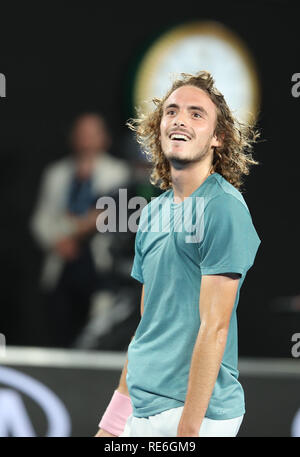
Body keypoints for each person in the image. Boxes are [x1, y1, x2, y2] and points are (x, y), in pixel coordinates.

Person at [95, 71, 261, 437]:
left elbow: (214, 328)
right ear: (159, 129)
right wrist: (111, 426)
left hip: (196, 417)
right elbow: (148, 329)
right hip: (141, 412)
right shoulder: (152, 212)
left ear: (218, 138)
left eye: (196, 113)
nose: (180, 118)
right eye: (171, 111)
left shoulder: (224, 208)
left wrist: (188, 432)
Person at [30, 113, 130, 347]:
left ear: (104, 138)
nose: (86, 139)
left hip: (100, 266)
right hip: (62, 265)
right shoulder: (55, 174)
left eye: (92, 133)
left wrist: (72, 230)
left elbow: (104, 216)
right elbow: (41, 219)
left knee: (98, 334)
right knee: (59, 332)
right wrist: (59, 240)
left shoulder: (119, 174)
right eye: (81, 133)